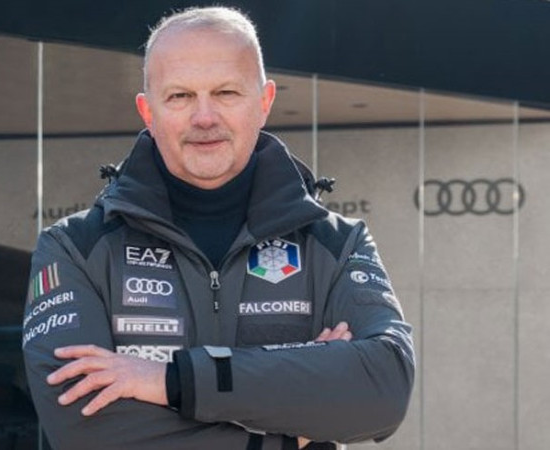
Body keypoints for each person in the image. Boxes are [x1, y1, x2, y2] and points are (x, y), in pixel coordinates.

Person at [21, 6, 414, 450]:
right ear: (148, 111)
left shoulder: (336, 244)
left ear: (264, 102)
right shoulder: (75, 249)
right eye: (180, 96)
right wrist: (286, 434)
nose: (204, 118)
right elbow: (84, 424)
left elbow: (384, 388)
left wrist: (172, 381)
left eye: (226, 92)